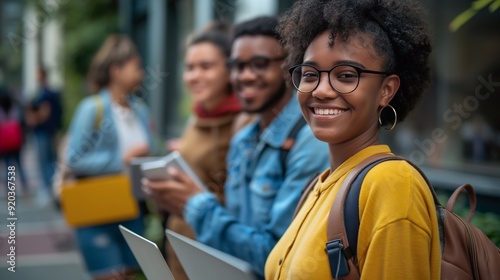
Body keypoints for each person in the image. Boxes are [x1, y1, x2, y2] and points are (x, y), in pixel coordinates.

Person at [265, 0, 441, 279]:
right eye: (310, 74)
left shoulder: (393, 185)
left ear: (386, 90)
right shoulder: (319, 184)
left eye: (346, 75)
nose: (321, 90)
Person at [143, 16, 329, 278]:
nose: (245, 76)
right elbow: (234, 233)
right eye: (237, 66)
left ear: (289, 66)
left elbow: (279, 258)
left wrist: (195, 204)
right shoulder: (243, 139)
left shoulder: (310, 142)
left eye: (260, 64)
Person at [162, 22, 249, 280]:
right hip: (180, 242)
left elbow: (241, 202)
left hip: (213, 253)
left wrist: (194, 197)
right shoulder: (198, 114)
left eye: (206, 66)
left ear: (230, 70)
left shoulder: (242, 122)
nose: (194, 75)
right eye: (189, 68)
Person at [65, 35, 156, 280]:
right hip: (98, 210)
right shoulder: (92, 109)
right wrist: (122, 160)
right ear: (116, 70)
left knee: (128, 274)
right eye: (136, 67)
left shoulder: (140, 109)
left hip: (133, 210)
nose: (142, 74)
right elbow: (73, 160)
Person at [25, 67, 62, 193]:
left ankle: (50, 188)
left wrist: (34, 119)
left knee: (45, 161)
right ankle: (53, 187)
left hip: (43, 131)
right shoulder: (47, 92)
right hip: (49, 130)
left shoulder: (45, 93)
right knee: (50, 160)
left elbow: (44, 112)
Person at [0, 85, 29, 194]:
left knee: (8, 169)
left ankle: (10, 192)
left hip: (5, 145)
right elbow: (22, 125)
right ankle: (25, 190)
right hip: (16, 143)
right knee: (20, 166)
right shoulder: (15, 109)